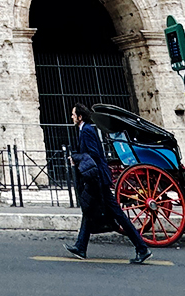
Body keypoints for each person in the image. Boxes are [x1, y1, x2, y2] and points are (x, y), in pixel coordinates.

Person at [67, 105, 152, 263]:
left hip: (98, 179)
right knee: (88, 209)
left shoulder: (86, 130)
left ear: (80, 117)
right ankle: (80, 247)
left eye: (73, 115)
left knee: (118, 214)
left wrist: (76, 158)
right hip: (96, 179)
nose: (71, 117)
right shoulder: (84, 129)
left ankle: (142, 248)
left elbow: (93, 154)